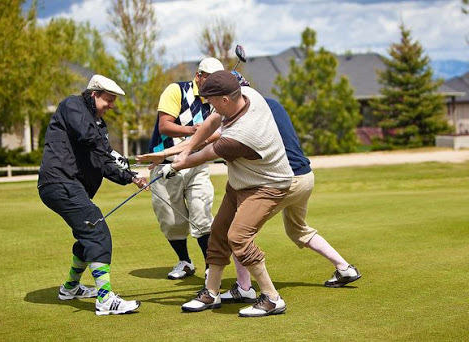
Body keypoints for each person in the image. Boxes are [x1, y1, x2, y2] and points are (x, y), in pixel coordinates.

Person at [219, 72, 361, 303]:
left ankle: (244, 287)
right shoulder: (272, 104)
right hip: (305, 177)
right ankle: (344, 268)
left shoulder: (247, 117)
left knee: (239, 233)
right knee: (298, 229)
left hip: (284, 181)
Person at [161, 70, 294, 317]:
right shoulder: (246, 94)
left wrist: (173, 164)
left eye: (211, 100)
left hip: (268, 185)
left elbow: (204, 155)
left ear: (224, 99)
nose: (208, 104)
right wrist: (188, 145)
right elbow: (212, 121)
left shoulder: (240, 135)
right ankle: (211, 293)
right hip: (241, 182)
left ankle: (273, 298)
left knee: (239, 237)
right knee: (218, 234)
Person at [38, 74, 148, 316]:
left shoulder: (98, 125)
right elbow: (89, 138)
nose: (111, 106)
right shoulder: (72, 105)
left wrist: (130, 177)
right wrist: (112, 151)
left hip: (70, 185)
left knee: (87, 235)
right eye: (108, 100)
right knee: (96, 229)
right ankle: (105, 298)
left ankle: (70, 288)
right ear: (94, 94)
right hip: (59, 181)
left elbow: (103, 162)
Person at [147, 57, 224, 280]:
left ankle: (211, 267)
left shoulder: (217, 101)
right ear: (198, 76)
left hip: (196, 162)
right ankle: (185, 261)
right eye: (209, 80)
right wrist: (194, 130)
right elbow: (165, 126)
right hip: (165, 165)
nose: (212, 86)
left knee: (201, 212)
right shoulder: (176, 90)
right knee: (171, 221)